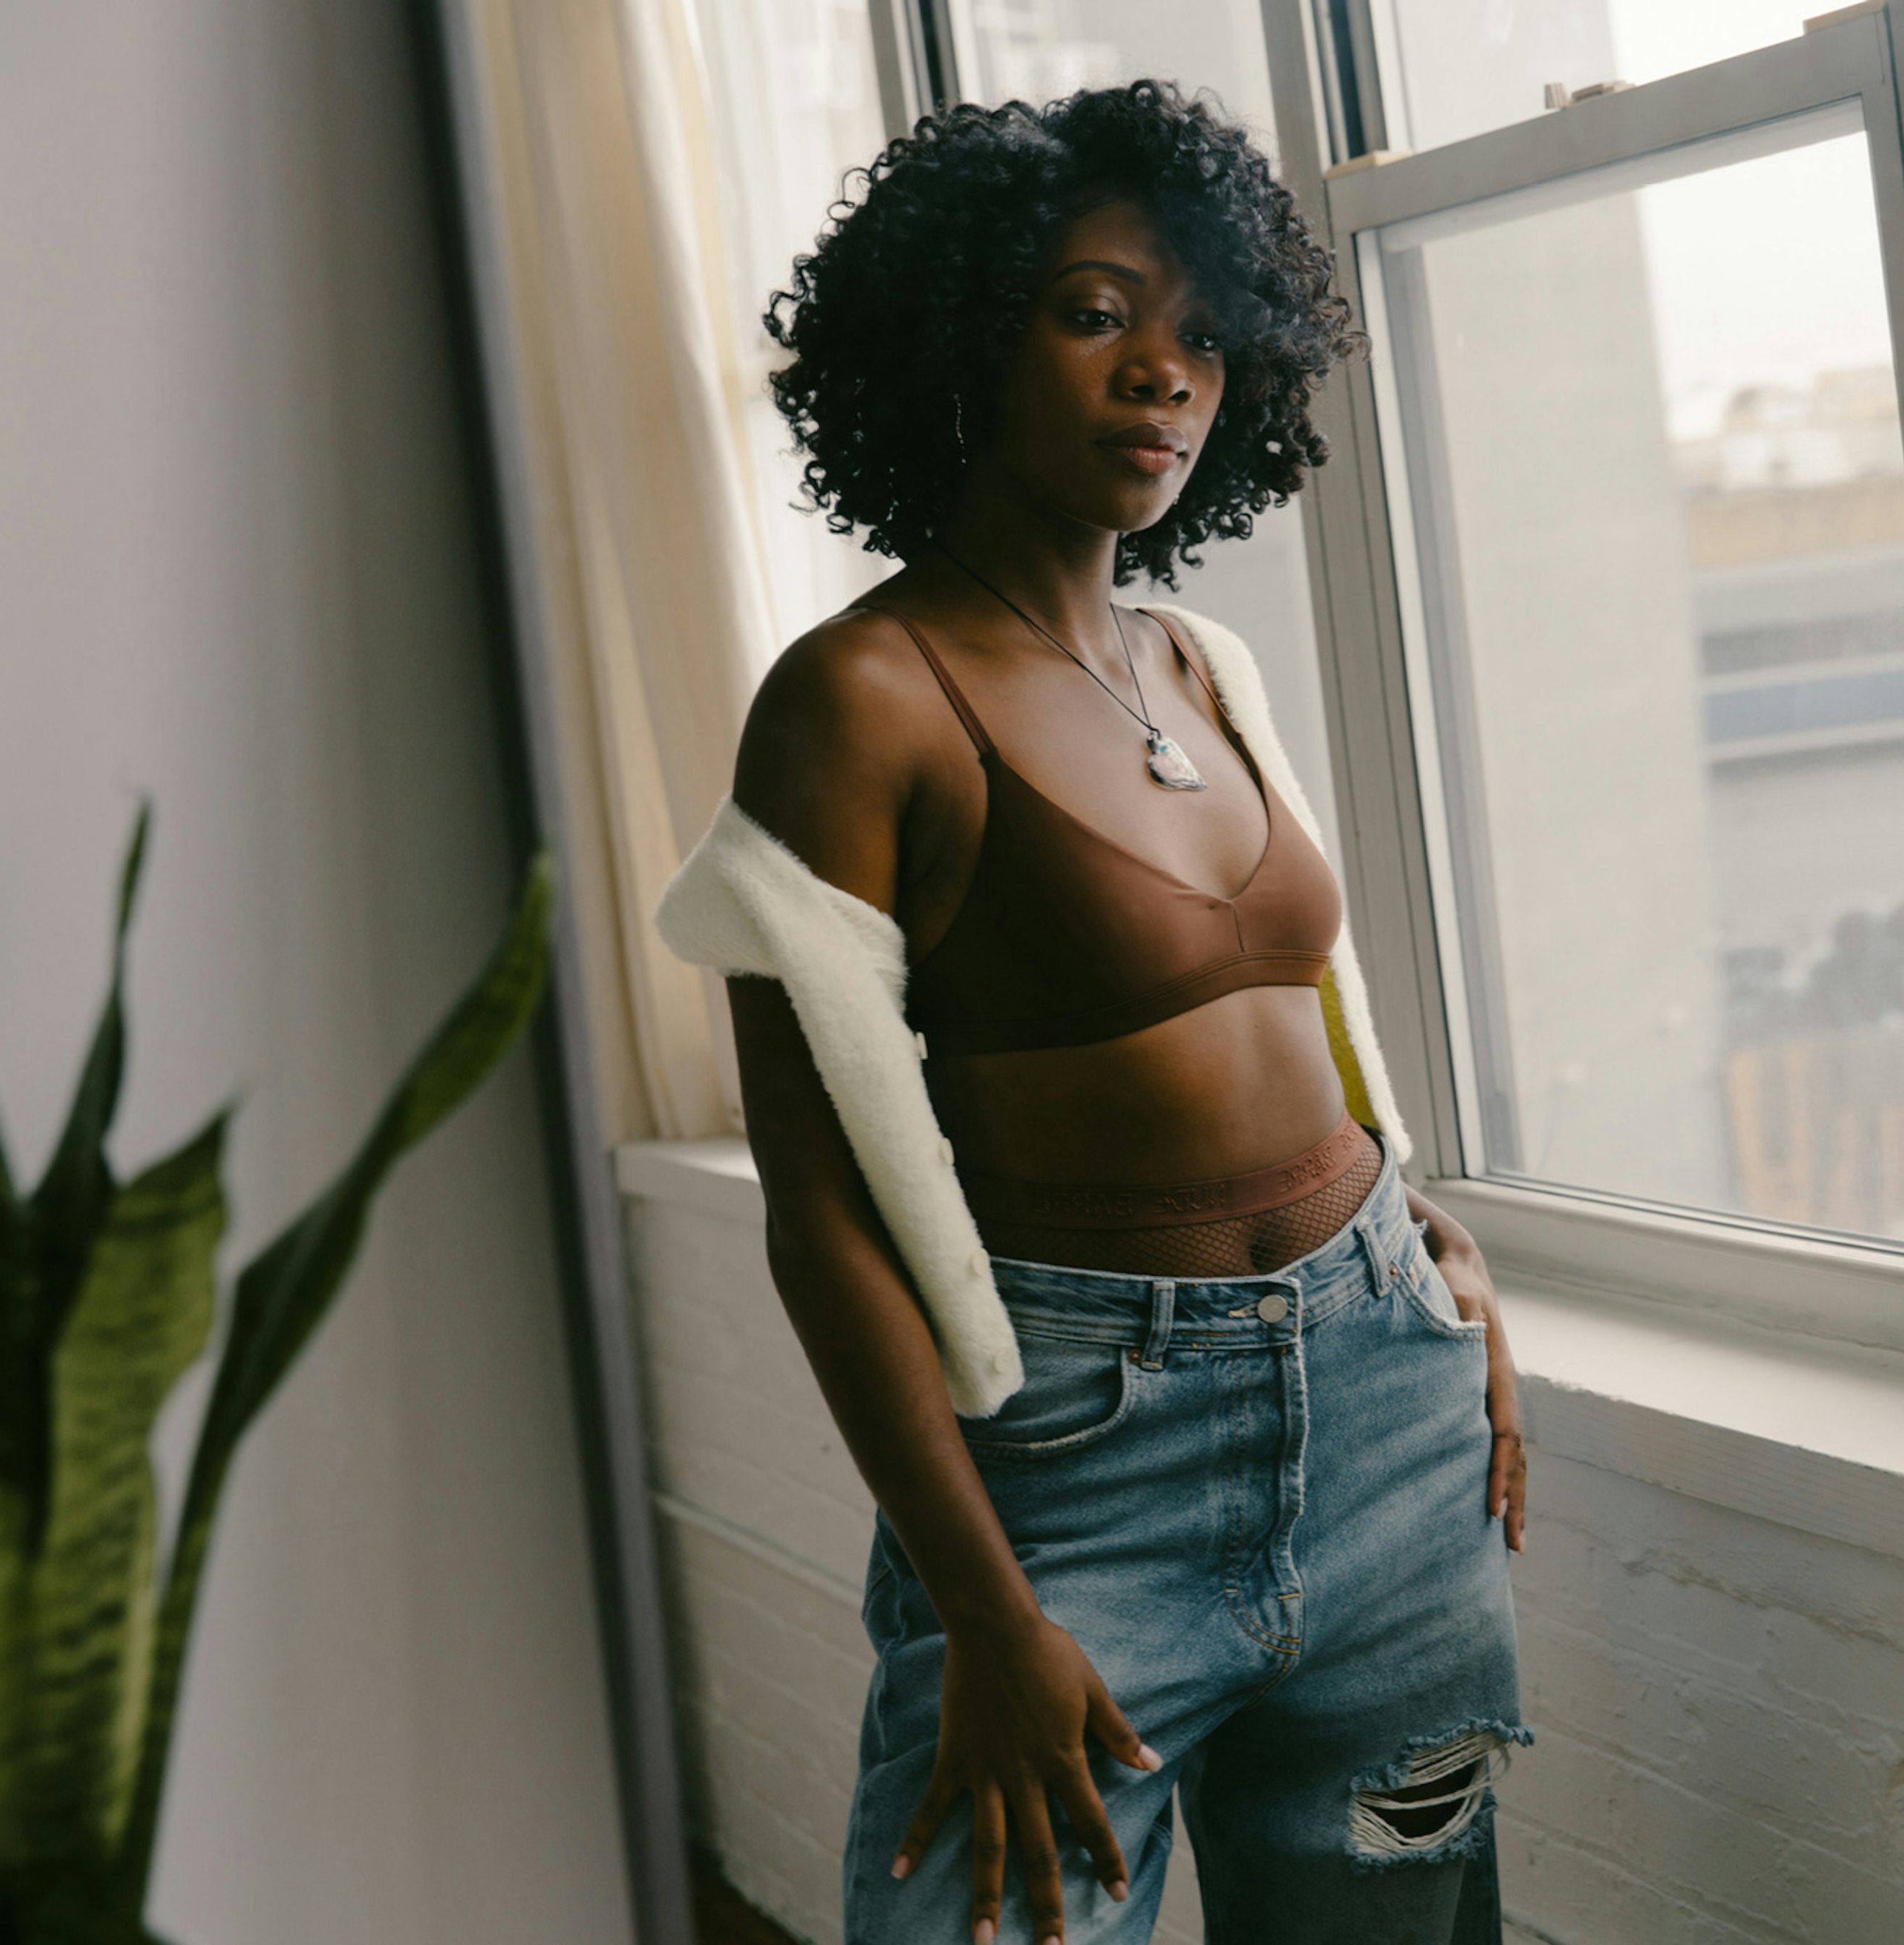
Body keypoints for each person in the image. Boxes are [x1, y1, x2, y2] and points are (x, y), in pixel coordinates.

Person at [655, 81, 1529, 1945]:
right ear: (967, 334)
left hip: (1390, 1442)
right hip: (1075, 1479)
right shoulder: (858, 703)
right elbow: (822, 1211)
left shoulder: (1208, 666)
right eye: (1096, 313)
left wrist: (1419, 1241)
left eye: (1206, 335)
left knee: (1396, 1917)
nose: (1165, 375)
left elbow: (1305, 1018)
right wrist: (983, 1609)